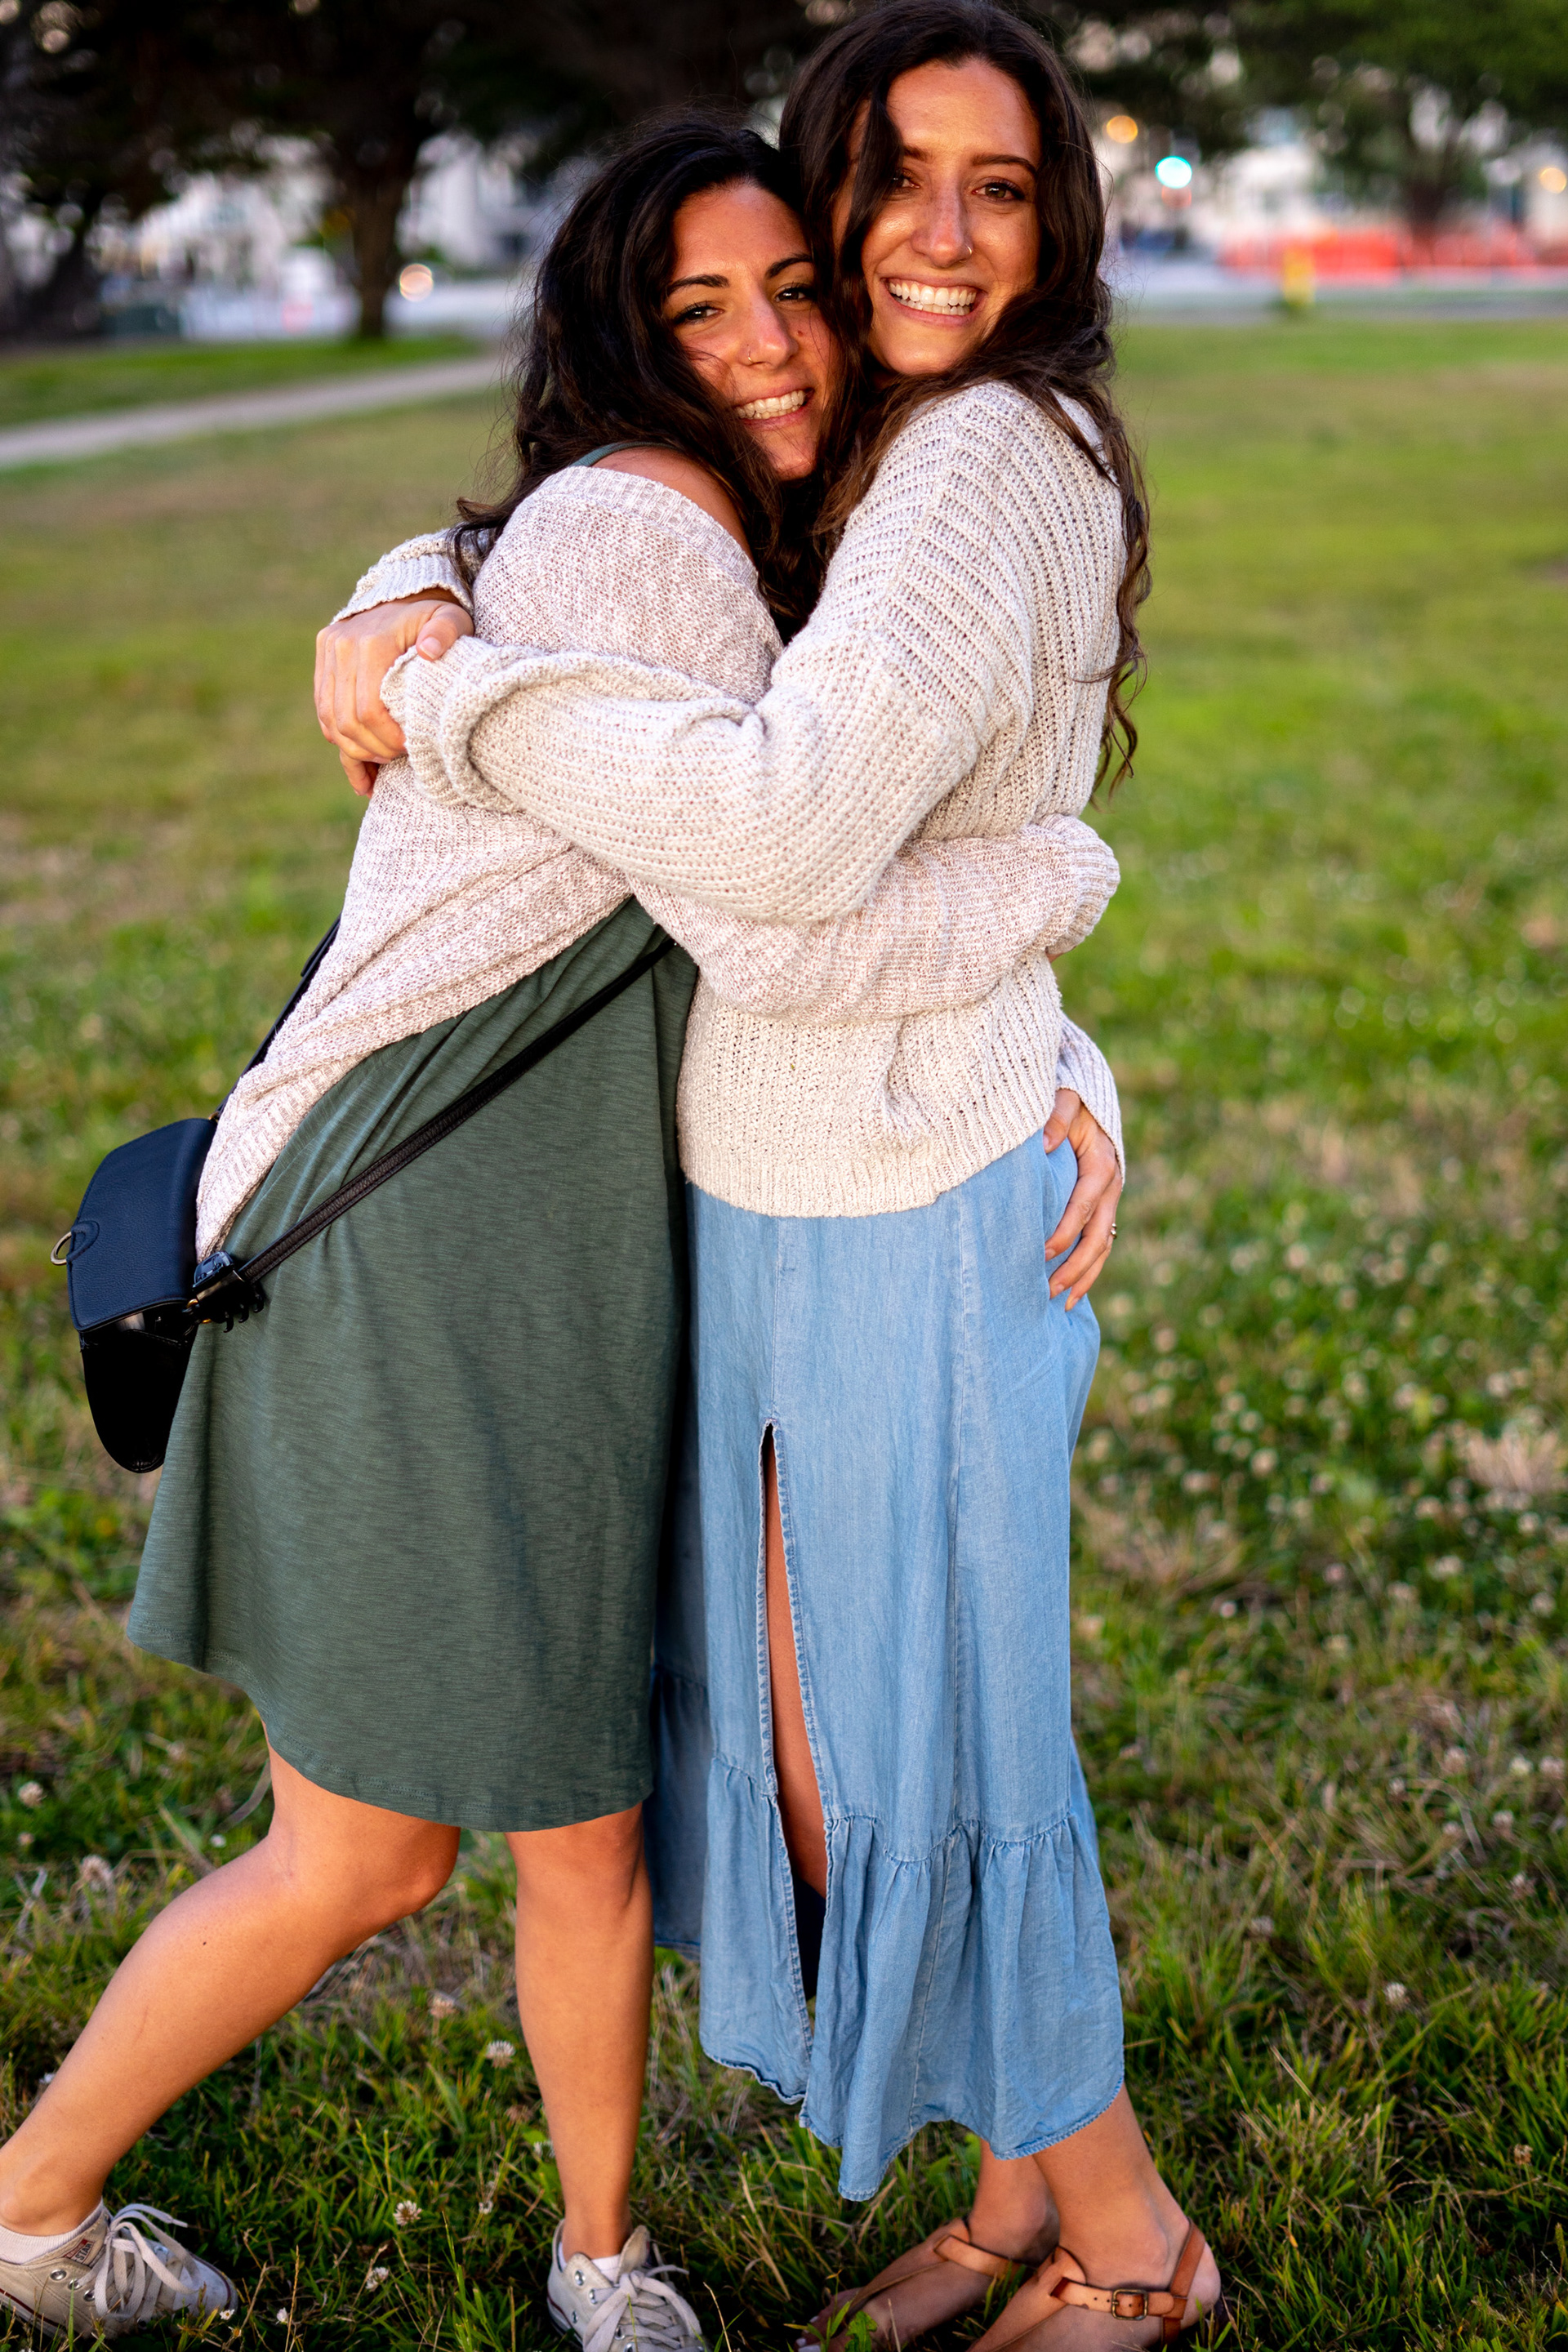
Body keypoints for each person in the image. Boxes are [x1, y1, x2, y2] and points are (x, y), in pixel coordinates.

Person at [0, 120, 1120, 2350]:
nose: (771, 346)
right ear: (625, 342)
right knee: (369, 1853)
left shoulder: (737, 530)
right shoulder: (651, 538)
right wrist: (1068, 883)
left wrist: (1065, 1053)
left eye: (792, 290)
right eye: (700, 312)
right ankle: (27, 2211)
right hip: (421, 1236)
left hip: (566, 1235)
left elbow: (818, 781)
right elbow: (788, 896)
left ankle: (605, 2264)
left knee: (584, 1819)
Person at [320, 6, 1229, 2344]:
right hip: (801, 1191)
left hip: (899, 1204)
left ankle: (1133, 2246)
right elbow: (618, 525)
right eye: (896, 179)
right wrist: (410, 586)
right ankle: (1021, 2201)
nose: (940, 234)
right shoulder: (886, 447)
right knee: (885, 1747)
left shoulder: (978, 459)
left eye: (1000, 187)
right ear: (826, 190)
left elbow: (795, 849)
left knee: (909, 1763)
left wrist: (451, 699)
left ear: (1062, 223)